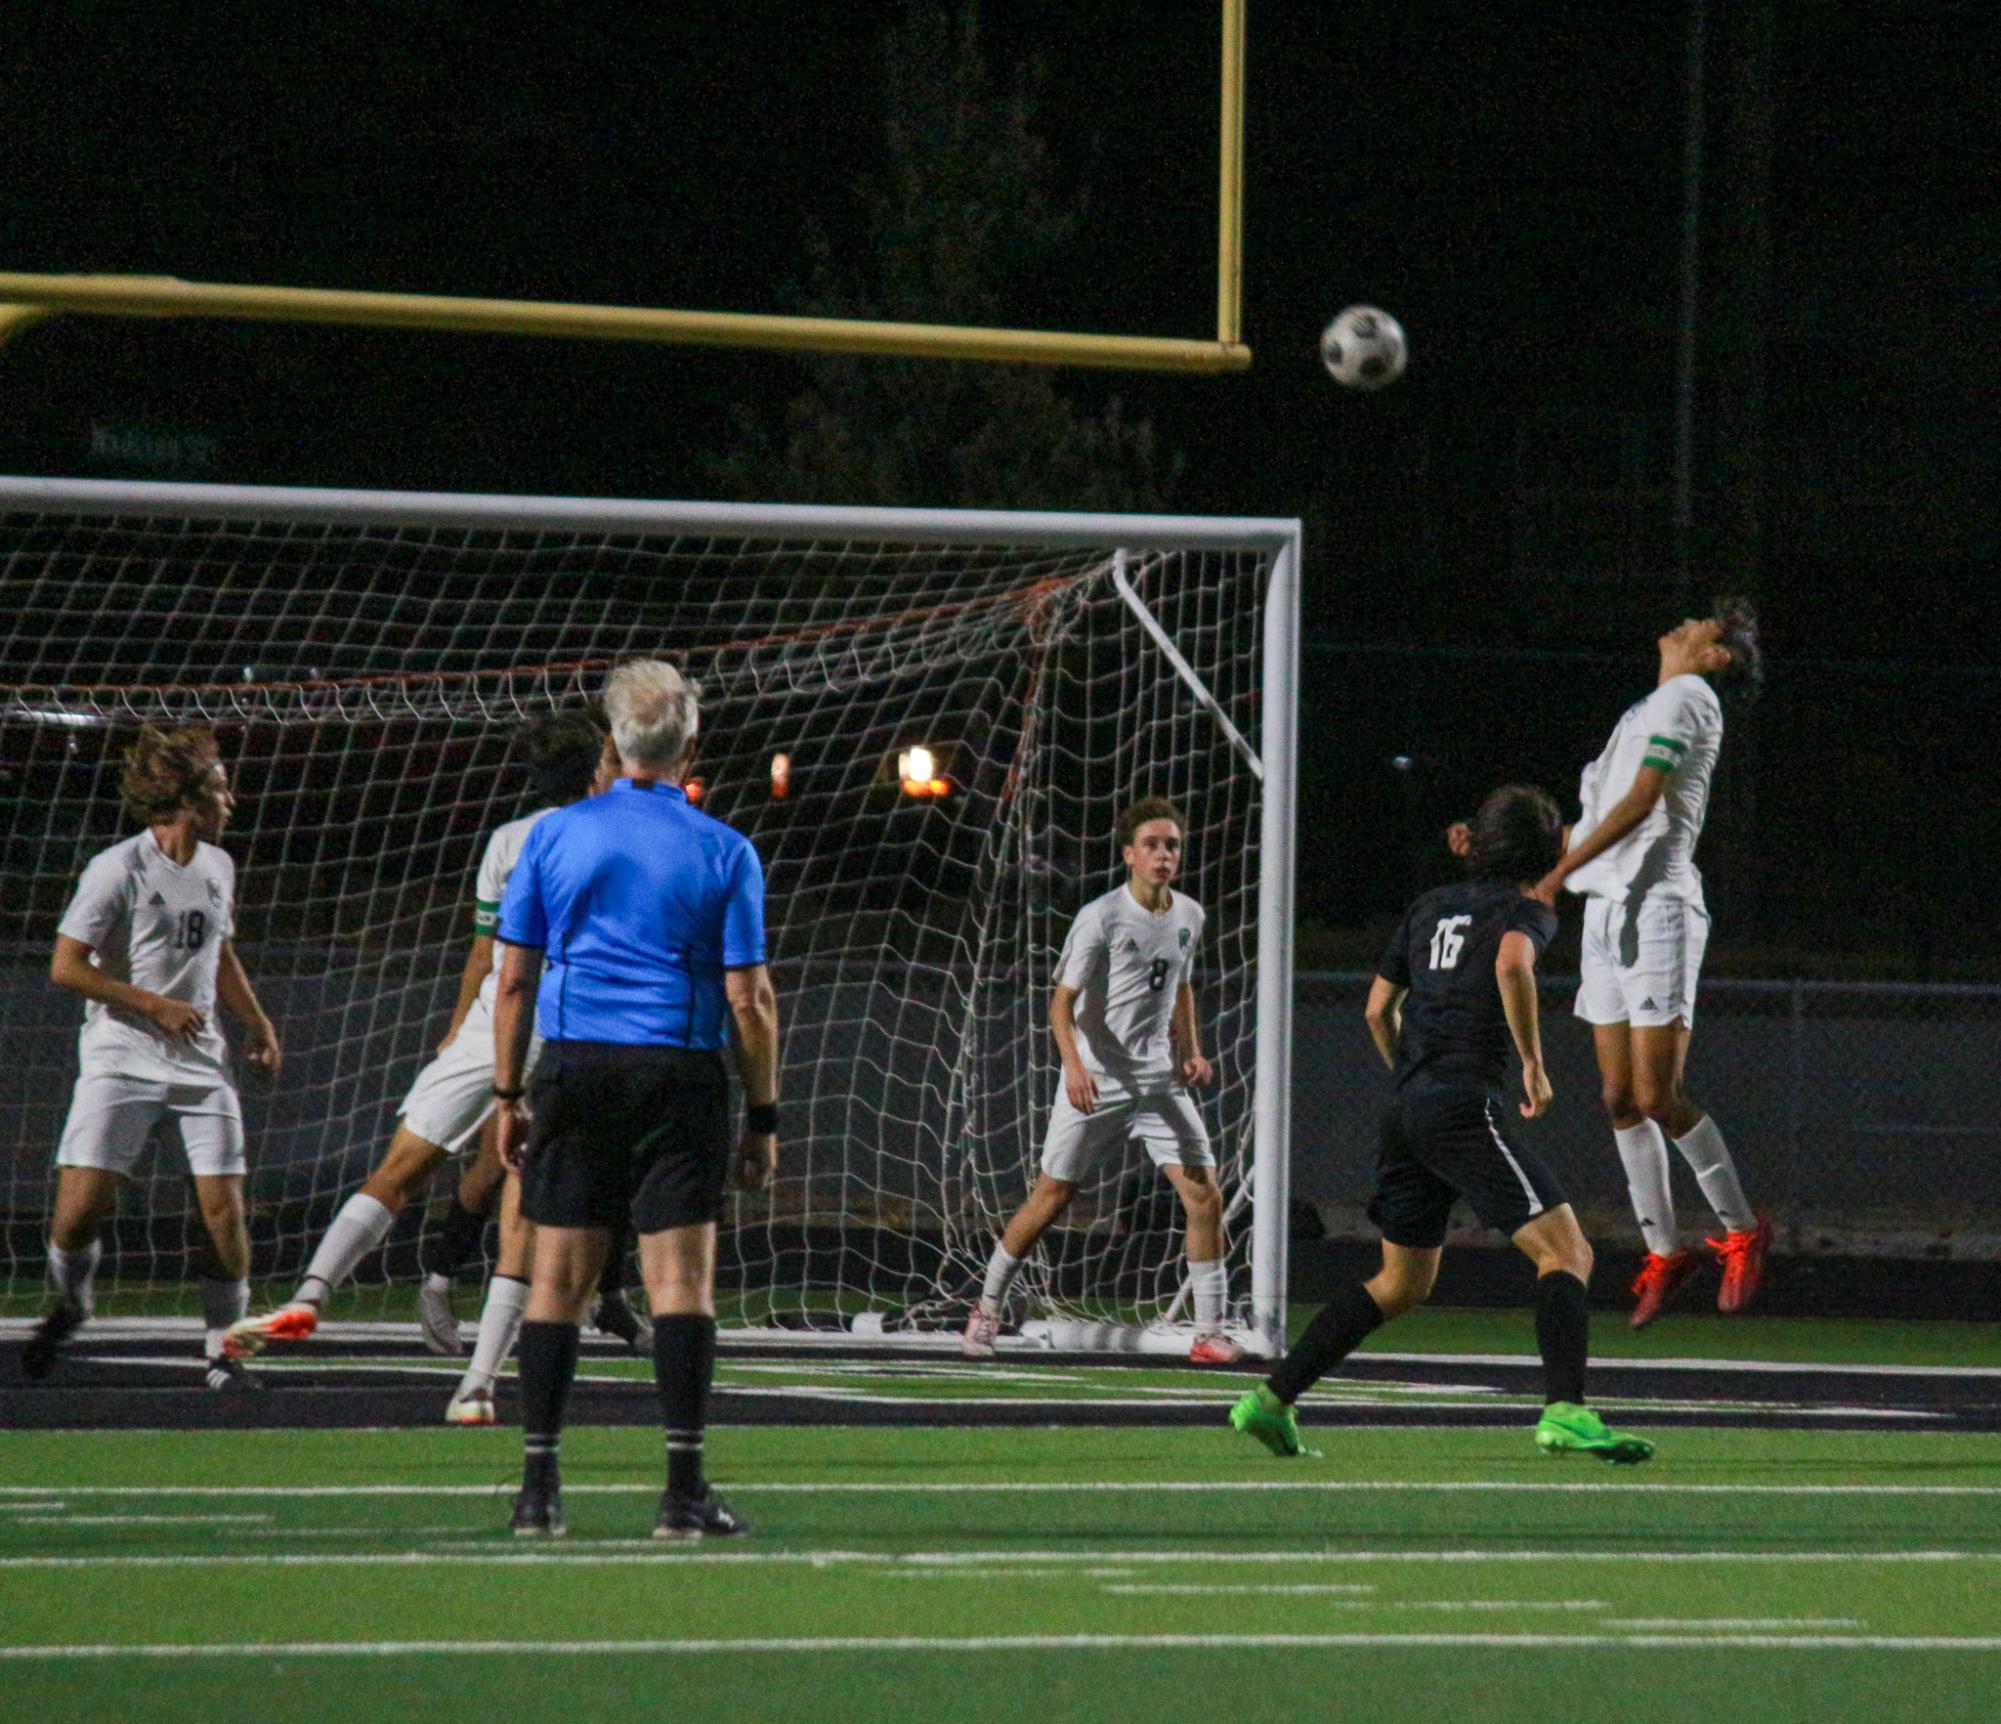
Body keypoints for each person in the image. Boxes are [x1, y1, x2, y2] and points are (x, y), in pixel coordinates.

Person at [1233, 784, 1653, 1465]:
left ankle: (1270, 1400)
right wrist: (1531, 1064)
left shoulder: (1429, 906)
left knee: (1400, 1284)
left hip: (1407, 1108)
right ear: (1544, 850)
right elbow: (1511, 963)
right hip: (1459, 1105)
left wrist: (1412, 1074)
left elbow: (1376, 1010)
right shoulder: (1528, 909)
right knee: (1566, 1253)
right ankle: (1565, 1411)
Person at [225, 714, 645, 1357]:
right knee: (535, 1199)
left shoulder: (508, 840)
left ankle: (311, 1292)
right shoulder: (617, 841)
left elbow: (486, 952)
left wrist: (456, 1030)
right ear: (596, 769)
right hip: (569, 1034)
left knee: (399, 1172)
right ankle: (491, 1368)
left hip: (488, 1027)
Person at [494, 659, 778, 1540]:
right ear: (690, 742)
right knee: (679, 1285)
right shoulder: (724, 849)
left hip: (575, 1068)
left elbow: (513, 981)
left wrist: (508, 1091)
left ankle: (538, 1491)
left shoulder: (552, 836)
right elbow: (749, 999)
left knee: (558, 1282)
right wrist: (763, 1116)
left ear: (612, 742)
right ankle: (681, 1491)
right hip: (677, 1074)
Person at [25, 725, 281, 1389]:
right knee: (77, 1215)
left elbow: (219, 954)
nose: (233, 800)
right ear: (189, 797)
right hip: (120, 1054)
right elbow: (64, 967)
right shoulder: (119, 868)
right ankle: (73, 1300)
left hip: (200, 1064)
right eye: (222, 788)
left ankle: (226, 1356)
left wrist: (255, 1021)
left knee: (224, 1211)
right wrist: (153, 1004)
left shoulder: (218, 867)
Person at [1537, 602, 1769, 1327]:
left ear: (1717, 656)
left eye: (1703, 625)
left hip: (1659, 908)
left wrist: (1554, 875)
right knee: (1616, 1099)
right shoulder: (1646, 704)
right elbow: (1600, 811)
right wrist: (1509, 850)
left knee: (1658, 1094)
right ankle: (1664, 1252)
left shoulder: (1688, 698)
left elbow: (1641, 804)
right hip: (1607, 908)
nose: (1682, 625)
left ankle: (1740, 1228)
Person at [962, 796, 1236, 1365]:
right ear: (1129, 855)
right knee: (1053, 1195)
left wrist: (1193, 1050)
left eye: (1173, 846)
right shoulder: (1101, 916)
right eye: (1153, 845)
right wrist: (1076, 1068)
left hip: (1160, 1080)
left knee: (1204, 1196)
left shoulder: (1189, 914)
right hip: (1101, 1080)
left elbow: (1181, 985)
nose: (1164, 855)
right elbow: (1062, 1004)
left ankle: (1210, 1332)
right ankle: (986, 1308)